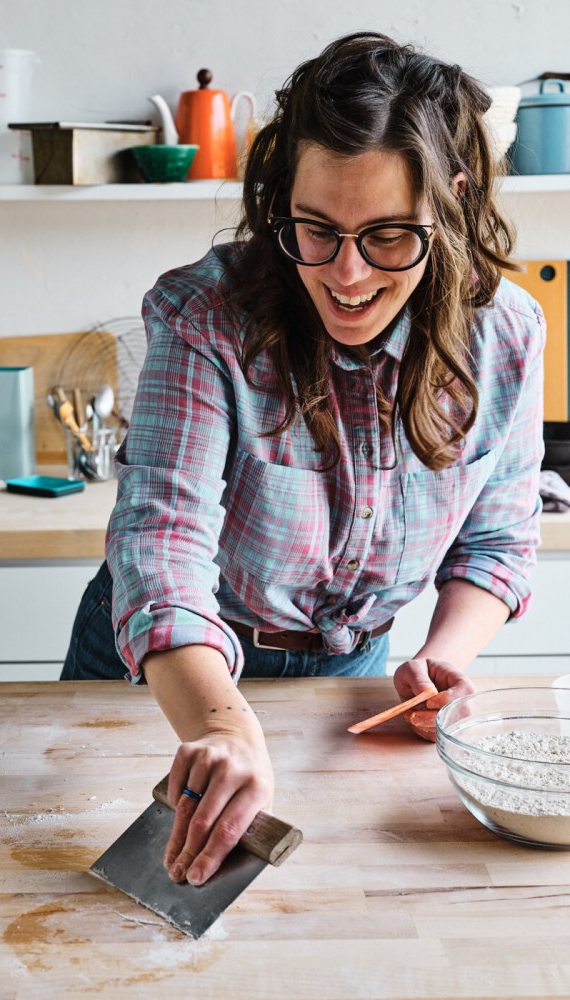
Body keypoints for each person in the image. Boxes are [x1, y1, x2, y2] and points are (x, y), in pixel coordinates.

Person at [62, 32, 545, 887]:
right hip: (171, 675)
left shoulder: (506, 332)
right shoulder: (206, 315)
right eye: (315, 229)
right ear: (281, 199)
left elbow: (498, 539)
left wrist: (445, 659)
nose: (347, 274)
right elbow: (161, 545)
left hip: (351, 688)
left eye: (389, 236)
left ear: (453, 202)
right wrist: (221, 727)